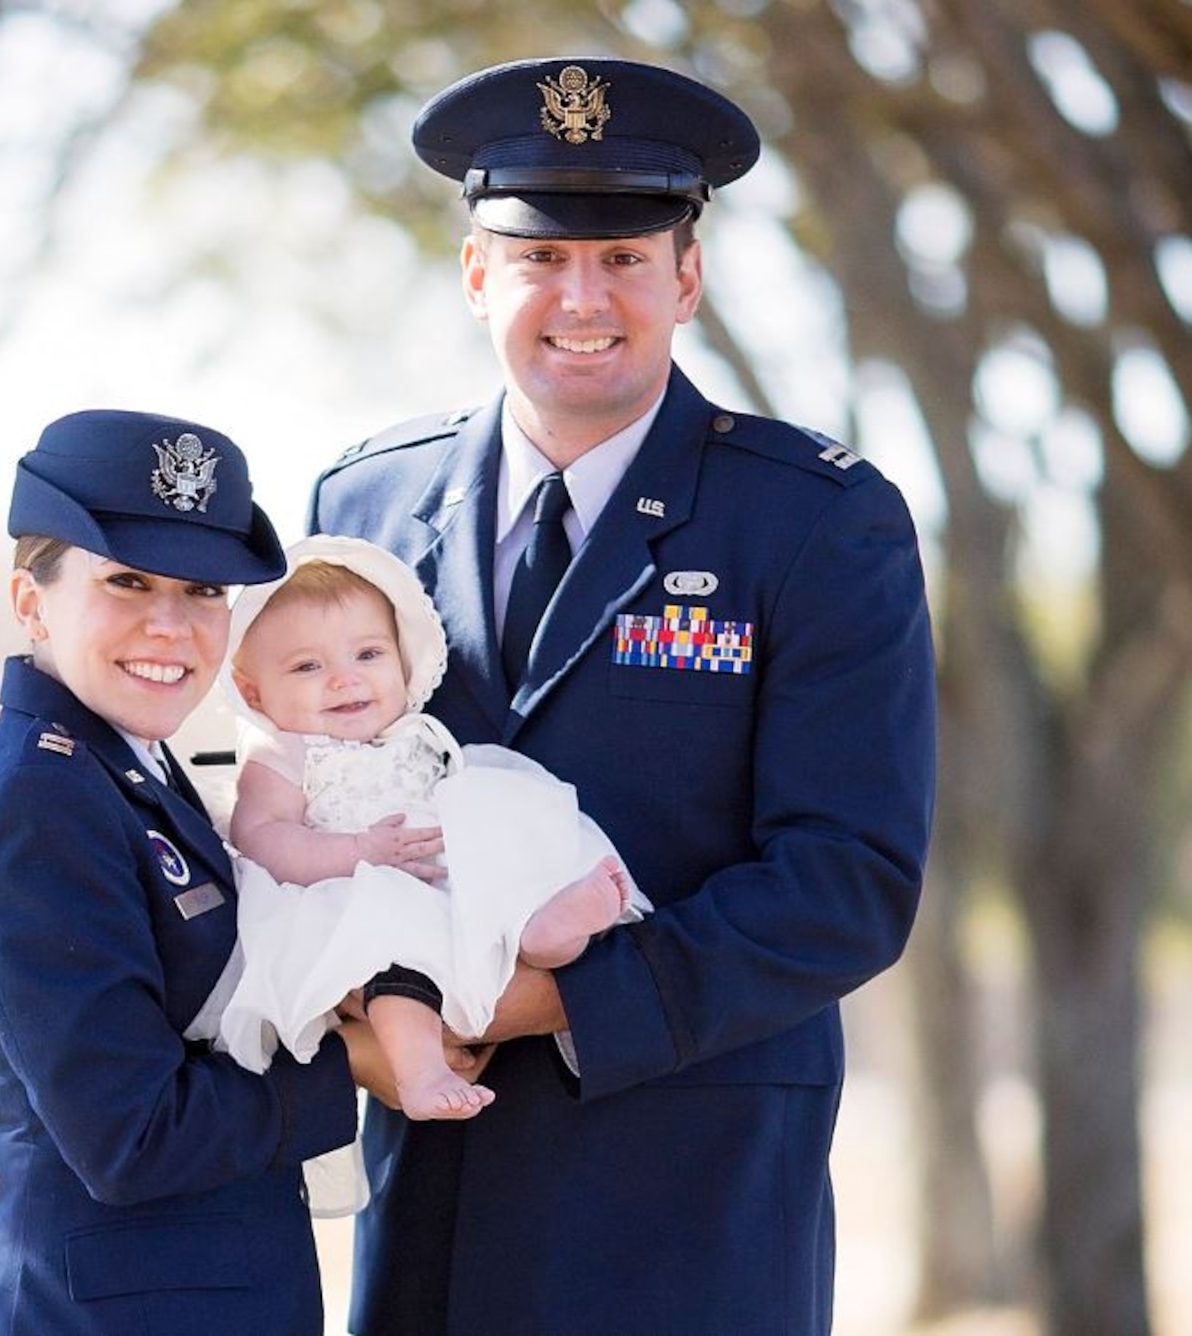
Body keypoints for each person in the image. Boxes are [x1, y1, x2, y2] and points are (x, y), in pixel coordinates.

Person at [309, 57, 937, 1335]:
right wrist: (358, 1012)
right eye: (538, 258)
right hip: (434, 1198)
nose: (579, 297)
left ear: (685, 279)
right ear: (476, 273)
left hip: (686, 1216)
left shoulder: (813, 520)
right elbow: (300, 801)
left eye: (623, 258)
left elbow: (844, 883)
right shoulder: (358, 509)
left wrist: (543, 1001)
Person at [0, 410, 362, 1336]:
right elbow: (132, 1135)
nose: (171, 627)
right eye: (126, 581)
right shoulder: (39, 798)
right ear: (30, 601)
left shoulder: (125, 766)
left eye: (204, 590)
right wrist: (352, 1066)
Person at [206, 534, 645, 1124]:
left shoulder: (417, 733)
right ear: (254, 690)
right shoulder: (284, 752)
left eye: (368, 655)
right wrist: (355, 853)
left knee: (507, 806)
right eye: (308, 666)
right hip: (352, 889)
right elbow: (261, 836)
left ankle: (543, 930)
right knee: (394, 950)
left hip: (441, 870)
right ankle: (419, 1069)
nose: (345, 680)